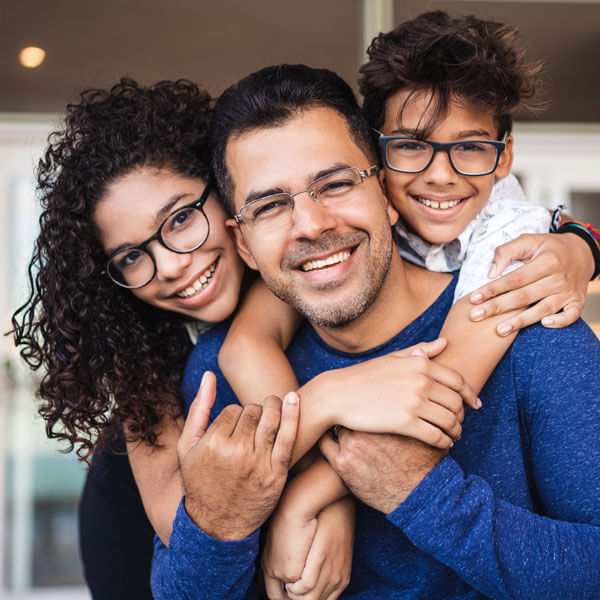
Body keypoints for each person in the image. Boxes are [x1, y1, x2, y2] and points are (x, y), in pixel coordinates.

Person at [151, 63, 600, 599]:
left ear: (385, 192)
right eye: (270, 206)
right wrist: (222, 521)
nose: (312, 225)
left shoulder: (532, 325)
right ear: (243, 244)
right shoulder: (218, 373)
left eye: (336, 184)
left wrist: (423, 492)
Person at [10, 78, 249, 599]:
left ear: (227, 187)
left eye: (181, 219)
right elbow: (188, 542)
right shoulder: (147, 396)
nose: (170, 266)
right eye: (132, 257)